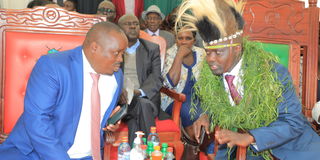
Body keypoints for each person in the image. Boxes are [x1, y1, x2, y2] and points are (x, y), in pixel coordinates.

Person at [175, 0, 320, 159]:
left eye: (218, 52)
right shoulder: (213, 74)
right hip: (238, 149)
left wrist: (250, 137)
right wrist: (207, 115)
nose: (210, 59)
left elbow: (293, 123)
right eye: (208, 52)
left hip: (290, 149)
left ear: (237, 48)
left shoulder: (273, 73)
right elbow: (225, 104)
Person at [0, 21, 128, 160]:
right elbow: (37, 121)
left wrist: (109, 123)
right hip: (36, 154)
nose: (120, 59)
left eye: (123, 54)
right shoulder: (52, 66)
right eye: (116, 53)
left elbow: (96, 117)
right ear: (94, 48)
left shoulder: (116, 75)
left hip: (88, 155)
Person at [117, 14, 169, 146]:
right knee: (135, 118)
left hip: (146, 99)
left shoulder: (151, 48)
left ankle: (144, 150)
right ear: (119, 28)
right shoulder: (114, 48)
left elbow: (156, 77)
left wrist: (138, 92)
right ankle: (150, 149)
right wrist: (119, 92)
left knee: (141, 104)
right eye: (128, 24)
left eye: (135, 23)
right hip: (121, 102)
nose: (133, 26)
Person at [161, 29, 211, 159]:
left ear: (194, 40)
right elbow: (169, 84)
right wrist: (179, 56)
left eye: (188, 38)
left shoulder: (201, 54)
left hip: (201, 98)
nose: (183, 41)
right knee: (191, 111)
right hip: (176, 100)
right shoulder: (170, 54)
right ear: (175, 40)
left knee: (212, 111)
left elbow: (211, 80)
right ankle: (196, 149)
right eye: (180, 38)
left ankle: (200, 148)